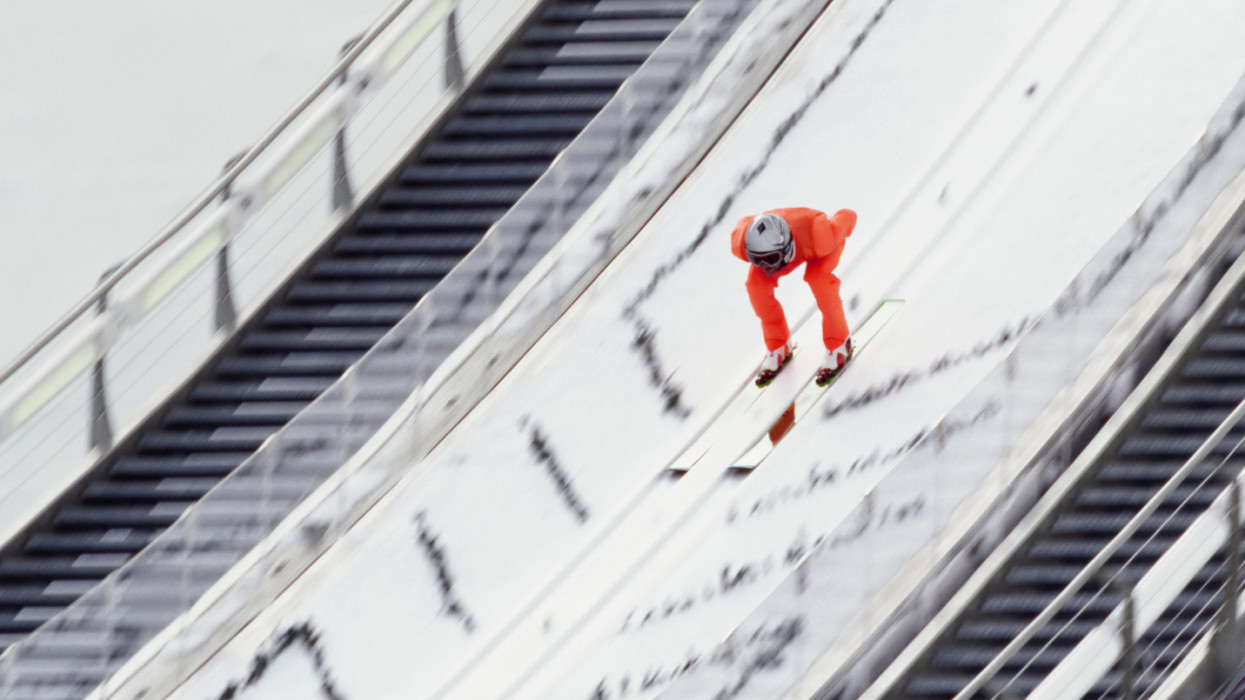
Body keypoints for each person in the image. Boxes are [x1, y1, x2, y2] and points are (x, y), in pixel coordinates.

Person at [730, 206, 856, 386]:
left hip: (813, 243)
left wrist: (839, 219)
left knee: (818, 279)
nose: (765, 267)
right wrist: (768, 258)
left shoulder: (819, 235)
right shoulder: (742, 242)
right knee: (756, 285)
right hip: (788, 245)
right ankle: (777, 344)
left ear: (787, 247)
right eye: (757, 259)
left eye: (771, 259)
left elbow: (849, 215)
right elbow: (746, 224)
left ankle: (839, 342)